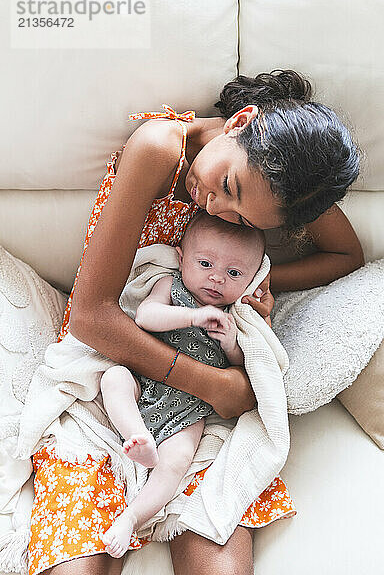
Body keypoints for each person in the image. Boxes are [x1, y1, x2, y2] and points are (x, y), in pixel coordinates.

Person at [28, 69, 364, 575]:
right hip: (112, 363)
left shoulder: (288, 190)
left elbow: (347, 254)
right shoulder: (161, 148)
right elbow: (92, 317)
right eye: (228, 185)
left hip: (195, 405)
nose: (216, 206)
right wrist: (217, 385)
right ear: (242, 122)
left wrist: (261, 286)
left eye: (246, 222)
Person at [99, 211, 266, 558]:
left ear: (251, 279)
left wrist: (232, 342)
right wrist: (191, 315)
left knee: (176, 462)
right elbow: (145, 316)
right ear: (181, 257)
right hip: (145, 385)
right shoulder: (171, 287)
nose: (216, 279)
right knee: (113, 379)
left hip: (189, 412)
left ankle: (132, 518)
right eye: (204, 263)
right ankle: (137, 436)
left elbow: (245, 368)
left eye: (233, 274)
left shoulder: (237, 313)